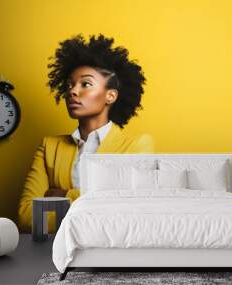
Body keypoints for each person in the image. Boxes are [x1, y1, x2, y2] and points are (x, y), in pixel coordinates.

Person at [18, 34, 155, 233]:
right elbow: (26, 216)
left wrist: (65, 195)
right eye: (70, 85)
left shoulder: (137, 145)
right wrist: (100, 201)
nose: (73, 91)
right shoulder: (49, 147)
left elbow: (130, 210)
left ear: (110, 95)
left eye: (86, 84)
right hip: (56, 252)